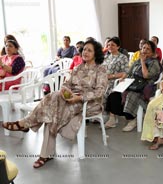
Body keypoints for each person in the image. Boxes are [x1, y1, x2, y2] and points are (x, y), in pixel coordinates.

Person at [2, 40, 108, 168]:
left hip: (89, 103)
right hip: (69, 100)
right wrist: (65, 90)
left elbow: (100, 92)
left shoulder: (100, 70)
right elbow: (66, 83)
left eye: (89, 50)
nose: (85, 52)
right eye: (84, 49)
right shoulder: (78, 68)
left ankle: (26, 124)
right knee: (53, 106)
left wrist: (79, 97)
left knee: (53, 105)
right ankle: (44, 153)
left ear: (96, 53)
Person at [105, 40, 161, 132]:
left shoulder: (154, 63)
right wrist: (123, 78)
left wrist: (143, 62)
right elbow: (128, 72)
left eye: (148, 49)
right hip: (133, 85)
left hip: (145, 87)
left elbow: (146, 76)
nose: (145, 50)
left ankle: (132, 119)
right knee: (114, 94)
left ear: (152, 52)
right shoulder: (137, 61)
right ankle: (118, 117)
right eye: (143, 48)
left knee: (131, 95)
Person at [102, 37, 129, 128]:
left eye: (113, 45)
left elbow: (125, 72)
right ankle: (95, 114)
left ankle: (112, 118)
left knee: (109, 90)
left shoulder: (123, 57)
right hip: (104, 80)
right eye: (108, 45)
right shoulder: (106, 56)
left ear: (118, 46)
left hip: (115, 81)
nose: (110, 47)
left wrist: (111, 76)